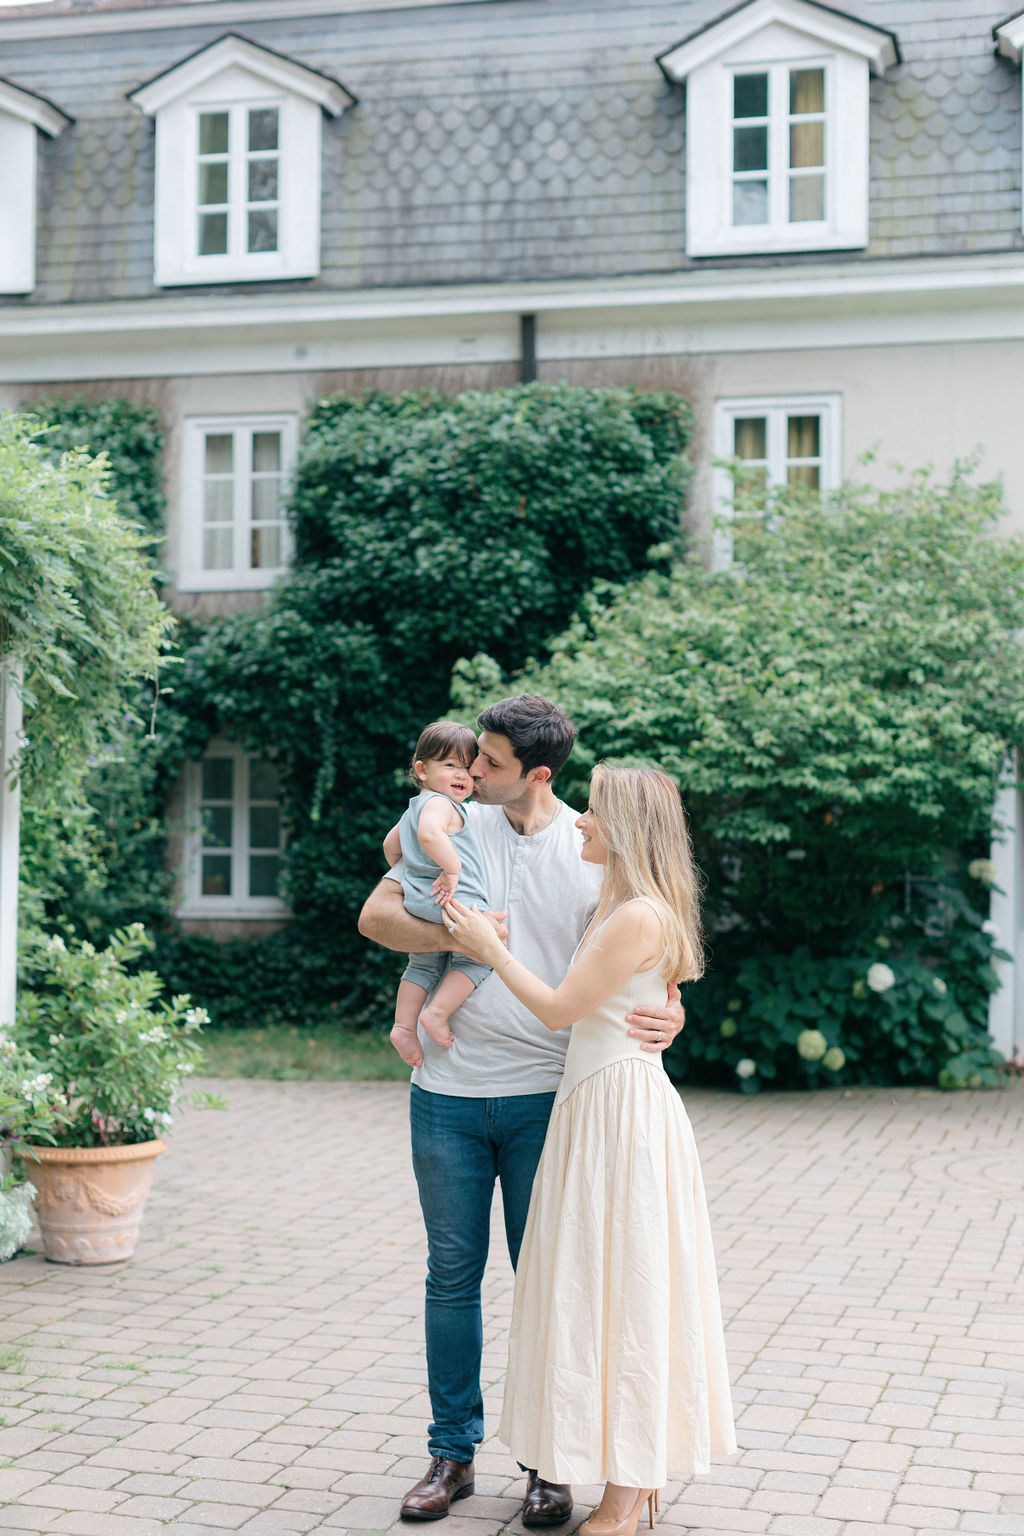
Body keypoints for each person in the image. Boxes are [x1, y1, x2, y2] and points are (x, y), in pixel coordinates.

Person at [357, 696, 686, 1527]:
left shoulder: (592, 845)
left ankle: (548, 1464)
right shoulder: (451, 828)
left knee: (553, 1286)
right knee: (451, 1278)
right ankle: (451, 1455)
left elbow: (650, 957)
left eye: (492, 762)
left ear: (537, 774)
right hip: (447, 1093)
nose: (472, 768)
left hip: (553, 1101)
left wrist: (670, 1011)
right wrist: (455, 942)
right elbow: (375, 917)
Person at [444, 763, 737, 1536]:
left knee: (628, 1297)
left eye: (595, 814)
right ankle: (632, 1480)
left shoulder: (637, 914)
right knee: (609, 1295)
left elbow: (559, 1011)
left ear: (628, 830)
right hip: (599, 1109)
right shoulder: (622, 906)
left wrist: (486, 946)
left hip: (619, 1117)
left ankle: (628, 1491)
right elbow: (644, 997)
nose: (581, 821)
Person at [384, 721, 492, 1063]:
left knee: (423, 965)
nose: (461, 775)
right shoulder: (442, 805)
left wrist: (412, 876)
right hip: (452, 898)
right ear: (422, 770)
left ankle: (403, 1026)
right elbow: (431, 836)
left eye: (466, 767)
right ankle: (436, 1013)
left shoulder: (414, 806)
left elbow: (390, 846)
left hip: (421, 899)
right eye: (450, 766)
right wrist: (451, 869)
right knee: (480, 955)